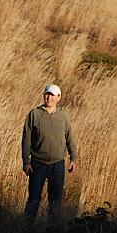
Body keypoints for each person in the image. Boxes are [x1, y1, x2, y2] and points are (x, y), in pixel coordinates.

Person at [22, 83, 77, 222]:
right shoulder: (34, 114)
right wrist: (26, 161)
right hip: (37, 164)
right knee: (33, 199)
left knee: (55, 202)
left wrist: (73, 158)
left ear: (58, 97)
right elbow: (26, 139)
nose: (49, 97)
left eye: (52, 95)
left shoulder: (63, 116)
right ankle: (26, 230)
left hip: (57, 165)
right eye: (47, 94)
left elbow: (70, 138)